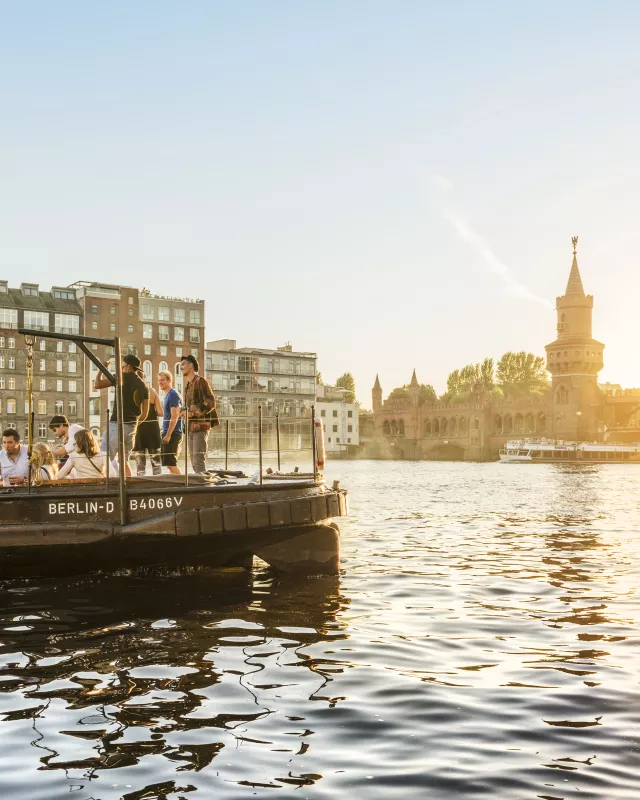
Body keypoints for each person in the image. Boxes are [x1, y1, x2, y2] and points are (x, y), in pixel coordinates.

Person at [94, 354, 149, 477]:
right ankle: (127, 486)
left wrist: (101, 369)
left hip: (116, 425)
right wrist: (132, 423)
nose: (121, 368)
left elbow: (97, 385)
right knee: (123, 461)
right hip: (132, 427)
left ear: (128, 367)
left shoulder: (120, 377)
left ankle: (108, 485)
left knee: (105, 457)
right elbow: (144, 414)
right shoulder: (143, 385)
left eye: (122, 366)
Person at [180, 354, 218, 475]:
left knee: (198, 461)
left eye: (183, 364)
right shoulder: (188, 386)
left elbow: (210, 402)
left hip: (200, 427)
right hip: (190, 428)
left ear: (191, 366)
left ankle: (204, 488)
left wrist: (192, 413)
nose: (181, 367)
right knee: (194, 462)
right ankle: (201, 485)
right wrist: (183, 412)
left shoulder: (201, 381)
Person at [134, 384, 163, 476]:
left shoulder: (132, 392)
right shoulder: (152, 391)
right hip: (152, 429)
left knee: (140, 465)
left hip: (138, 429)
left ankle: (140, 484)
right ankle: (157, 484)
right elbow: (160, 412)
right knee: (156, 465)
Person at [158, 369, 183, 475]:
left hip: (172, 433)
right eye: (159, 380)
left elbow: (175, 415)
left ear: (169, 380)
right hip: (170, 432)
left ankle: (183, 485)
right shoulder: (168, 395)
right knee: (169, 463)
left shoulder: (173, 394)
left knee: (170, 463)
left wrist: (168, 435)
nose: (160, 382)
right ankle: (176, 485)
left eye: (162, 380)